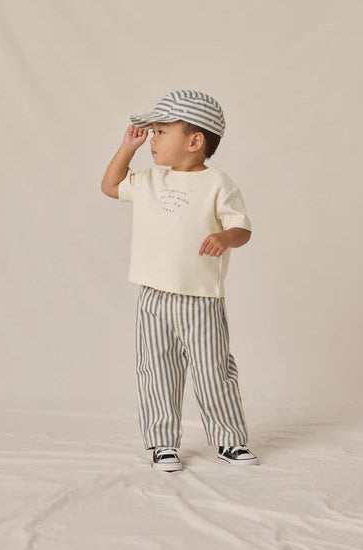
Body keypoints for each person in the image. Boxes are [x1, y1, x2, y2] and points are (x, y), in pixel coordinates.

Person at [101, 90, 259, 472]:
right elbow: (110, 186)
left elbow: (242, 228)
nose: (152, 140)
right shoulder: (150, 180)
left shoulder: (218, 184)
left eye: (160, 132)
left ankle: (230, 439)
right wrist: (127, 148)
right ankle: (162, 444)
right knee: (156, 371)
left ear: (194, 141)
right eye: (152, 132)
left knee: (213, 371)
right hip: (153, 298)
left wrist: (225, 237)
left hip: (200, 298)